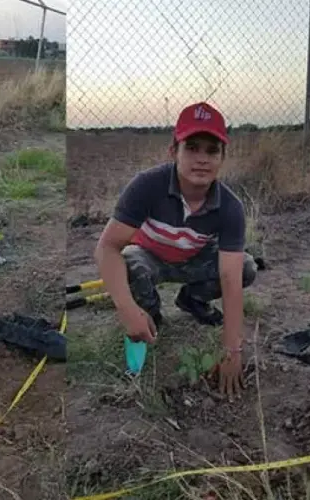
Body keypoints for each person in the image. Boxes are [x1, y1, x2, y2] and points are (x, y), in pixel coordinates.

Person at [95, 101, 258, 398]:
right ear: (174, 151)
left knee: (246, 267)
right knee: (130, 260)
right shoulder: (146, 185)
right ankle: (150, 316)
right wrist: (127, 309)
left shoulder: (230, 206)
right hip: (151, 258)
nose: (202, 159)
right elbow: (107, 247)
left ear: (222, 158)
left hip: (194, 260)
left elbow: (231, 278)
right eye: (192, 147)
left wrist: (232, 350)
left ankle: (192, 300)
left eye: (212, 150)